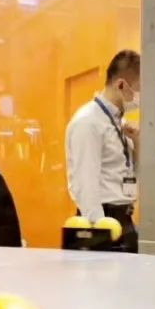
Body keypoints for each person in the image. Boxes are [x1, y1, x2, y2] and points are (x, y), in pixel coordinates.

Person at [66, 50, 141, 252]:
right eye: (139, 89)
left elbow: (128, 170)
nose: (140, 98)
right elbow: (85, 183)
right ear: (121, 85)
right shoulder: (89, 122)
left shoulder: (119, 122)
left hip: (123, 218)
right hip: (102, 221)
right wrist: (101, 233)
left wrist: (137, 141)